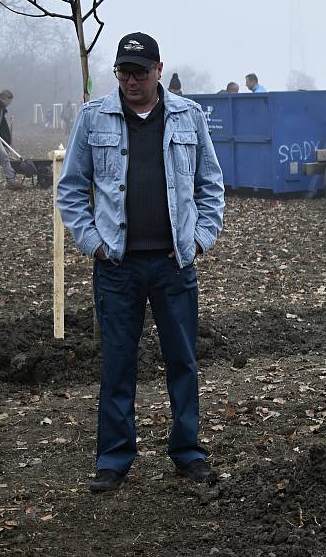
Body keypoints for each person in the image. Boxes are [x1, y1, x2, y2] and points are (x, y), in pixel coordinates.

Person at [57, 32, 225, 493]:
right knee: (116, 364)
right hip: (117, 267)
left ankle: (188, 452)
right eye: (123, 72)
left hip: (174, 265)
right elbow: (72, 188)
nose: (130, 81)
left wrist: (201, 239)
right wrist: (92, 242)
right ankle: (113, 460)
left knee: (183, 362)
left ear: (157, 70)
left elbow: (211, 183)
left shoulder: (188, 117)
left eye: (139, 72)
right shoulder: (95, 119)